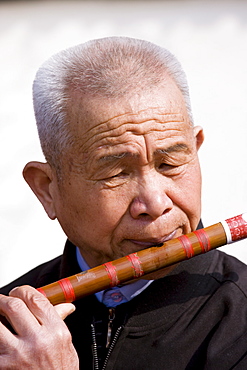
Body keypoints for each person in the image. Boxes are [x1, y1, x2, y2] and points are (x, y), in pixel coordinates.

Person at [0, 37, 246, 370]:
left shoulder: (239, 320)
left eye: (169, 164)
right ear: (46, 189)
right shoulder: (11, 325)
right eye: (116, 173)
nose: (155, 203)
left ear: (196, 149)